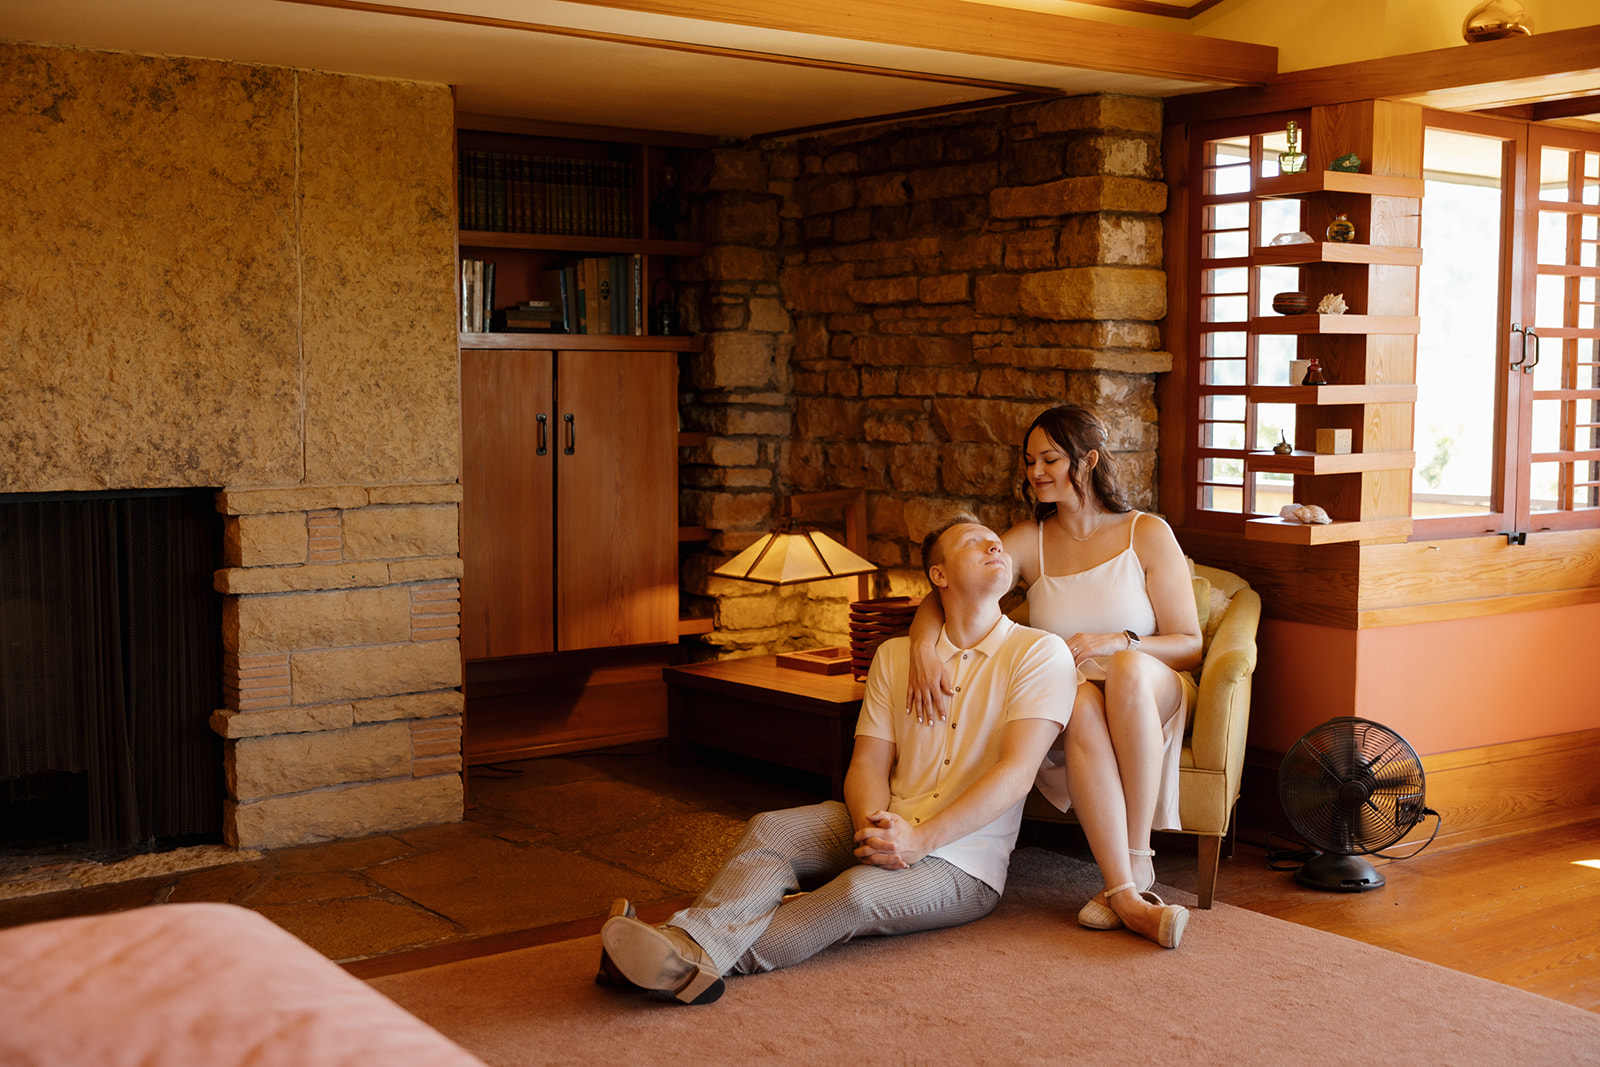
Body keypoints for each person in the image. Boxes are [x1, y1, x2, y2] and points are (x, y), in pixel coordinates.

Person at [598, 514, 1075, 1004]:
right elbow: (867, 764)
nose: (994, 546)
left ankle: (679, 955)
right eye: (975, 543)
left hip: (963, 863)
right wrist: (877, 827)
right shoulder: (895, 658)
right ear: (939, 576)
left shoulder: (1040, 654)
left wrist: (917, 841)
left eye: (996, 542)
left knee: (857, 893)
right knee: (772, 829)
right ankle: (670, 955)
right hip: (887, 818)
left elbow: (1016, 775)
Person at [906, 404, 1199, 950]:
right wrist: (923, 646)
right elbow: (940, 590)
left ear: (1086, 461)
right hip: (1081, 703)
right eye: (1029, 461)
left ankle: (1137, 858)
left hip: (1152, 686)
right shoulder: (1027, 541)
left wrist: (1118, 641)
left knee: (1128, 670)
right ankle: (1123, 889)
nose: (1035, 472)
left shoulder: (1145, 532)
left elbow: (1190, 642)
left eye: (1049, 459)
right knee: (1078, 696)